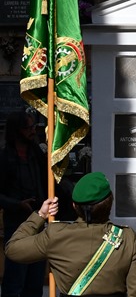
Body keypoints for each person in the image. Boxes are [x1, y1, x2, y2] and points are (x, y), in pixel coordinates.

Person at [5, 171, 136, 297]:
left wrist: (40, 215)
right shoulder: (126, 237)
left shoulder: (56, 235)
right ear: (110, 203)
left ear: (74, 206)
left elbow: (13, 249)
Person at [0, 110, 48, 297]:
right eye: (28, 128)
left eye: (34, 127)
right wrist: (17, 204)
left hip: (39, 223)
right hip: (16, 226)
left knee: (35, 281)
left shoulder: (35, 155)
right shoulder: (4, 158)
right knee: (15, 280)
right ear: (16, 131)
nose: (33, 131)